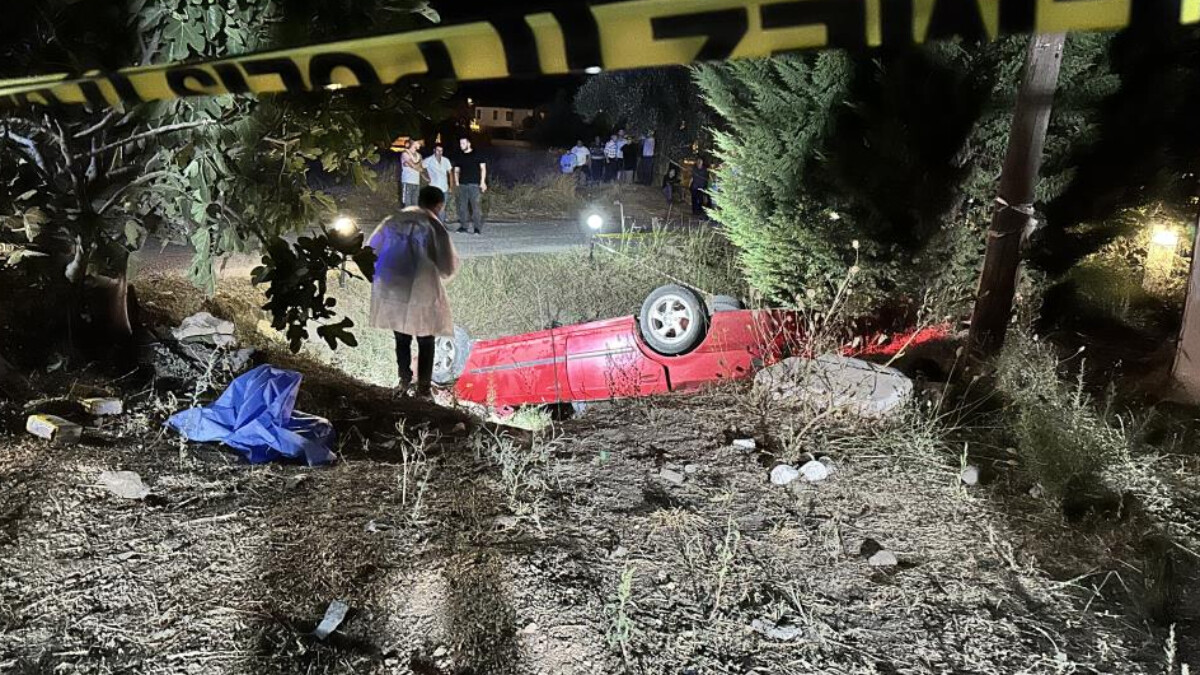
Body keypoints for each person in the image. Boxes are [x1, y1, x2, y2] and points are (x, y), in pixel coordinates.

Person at [368, 186, 460, 399]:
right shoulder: (433, 226)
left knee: (401, 336)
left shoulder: (394, 220)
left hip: (393, 290)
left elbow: (371, 249)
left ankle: (404, 380)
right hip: (422, 290)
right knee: (426, 339)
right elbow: (447, 266)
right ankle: (423, 389)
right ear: (439, 205)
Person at [453, 137, 487, 235]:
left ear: (469, 143)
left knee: (475, 207)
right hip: (462, 184)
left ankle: (477, 228)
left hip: (474, 184)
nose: (461, 145)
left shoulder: (477, 154)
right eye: (460, 143)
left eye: (463, 143)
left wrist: (482, 182)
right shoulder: (459, 156)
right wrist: (457, 182)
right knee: (462, 207)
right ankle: (464, 226)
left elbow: (483, 169)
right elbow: (456, 170)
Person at [422, 144, 453, 216]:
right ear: (434, 150)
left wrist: (451, 186)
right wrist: (425, 177)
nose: (439, 152)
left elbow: (450, 173)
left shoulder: (446, 160)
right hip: (434, 187)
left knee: (442, 208)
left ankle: (440, 222)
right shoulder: (428, 160)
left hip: (444, 188)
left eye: (441, 151)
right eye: (438, 150)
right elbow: (420, 168)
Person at [399, 139, 425, 207]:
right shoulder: (405, 153)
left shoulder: (419, 155)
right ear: (414, 142)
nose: (420, 145)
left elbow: (421, 169)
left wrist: (412, 165)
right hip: (407, 182)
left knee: (415, 206)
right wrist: (417, 164)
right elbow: (415, 166)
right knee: (407, 205)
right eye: (419, 143)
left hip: (416, 183)